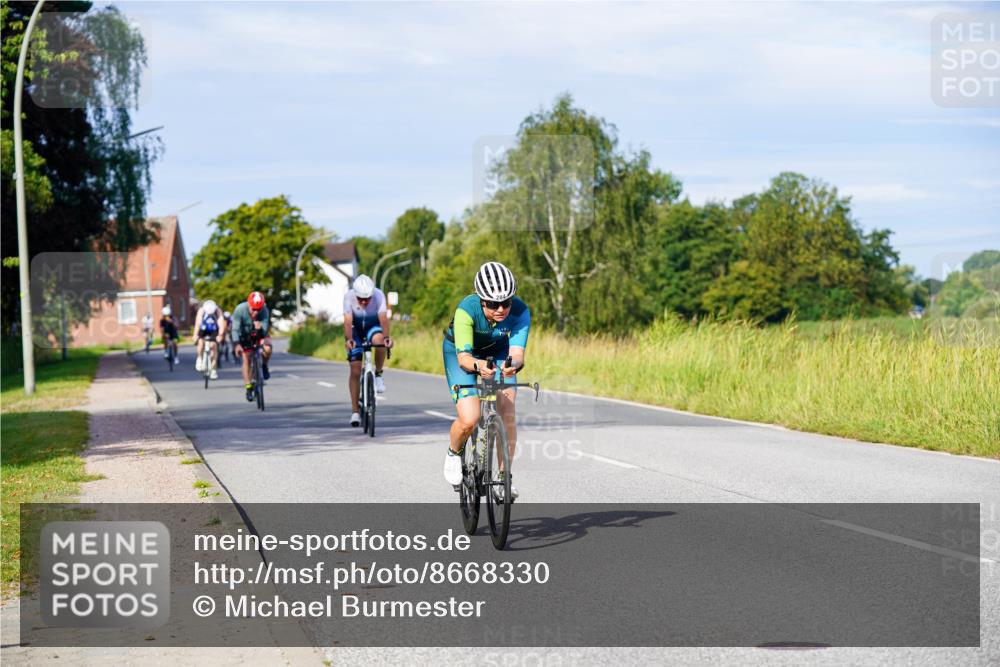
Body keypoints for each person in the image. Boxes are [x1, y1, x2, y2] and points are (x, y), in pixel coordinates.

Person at [441, 262, 530, 500]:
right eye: (493, 304)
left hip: (498, 353)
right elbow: (464, 358)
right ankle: (453, 452)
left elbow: (518, 354)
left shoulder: (520, 311)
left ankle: (503, 479)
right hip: (461, 354)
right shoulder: (466, 311)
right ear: (481, 300)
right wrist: (479, 366)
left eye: (506, 302)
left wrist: (513, 366)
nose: (501, 309)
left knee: (508, 412)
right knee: (470, 419)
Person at [343, 274, 393, 427]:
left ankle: (378, 374)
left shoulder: (378, 295)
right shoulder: (348, 297)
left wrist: (386, 338)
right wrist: (349, 340)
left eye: (367, 299)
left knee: (379, 342)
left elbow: (383, 318)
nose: (364, 302)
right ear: (355, 294)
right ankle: (355, 412)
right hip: (355, 330)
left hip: (373, 327)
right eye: (360, 299)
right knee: (355, 370)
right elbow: (347, 321)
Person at [232, 291, 272, 402]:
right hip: (244, 335)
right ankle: (249, 387)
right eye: (253, 309)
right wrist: (236, 344)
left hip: (259, 334)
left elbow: (264, 331)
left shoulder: (264, 310)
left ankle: (264, 365)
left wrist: (260, 329)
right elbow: (235, 329)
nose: (255, 312)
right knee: (247, 358)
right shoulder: (240, 309)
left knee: (268, 348)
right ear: (249, 305)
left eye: (258, 310)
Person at [193, 299, 226, 380]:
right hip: (203, 328)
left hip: (214, 329)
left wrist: (220, 335)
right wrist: (195, 335)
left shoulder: (218, 310)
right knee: (201, 342)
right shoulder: (201, 311)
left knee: (214, 347)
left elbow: (221, 324)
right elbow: (198, 324)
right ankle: (200, 358)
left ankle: (213, 369)